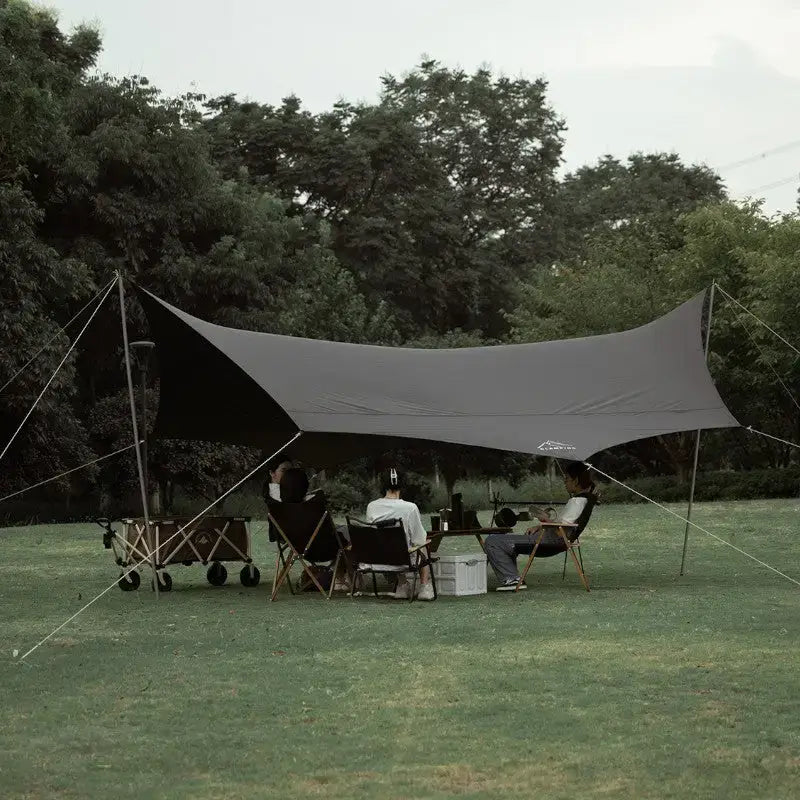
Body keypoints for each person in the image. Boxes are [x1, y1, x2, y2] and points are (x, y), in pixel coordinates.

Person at [484, 462, 597, 591]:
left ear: (576, 481)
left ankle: (512, 579)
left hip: (548, 541)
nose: (564, 482)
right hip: (551, 540)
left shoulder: (576, 501)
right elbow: (564, 526)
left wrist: (544, 519)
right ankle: (511, 576)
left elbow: (561, 529)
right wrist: (540, 526)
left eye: (567, 479)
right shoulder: (584, 500)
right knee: (501, 541)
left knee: (493, 541)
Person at [366, 467, 434, 600]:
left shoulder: (372, 506)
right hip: (403, 560)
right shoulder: (410, 508)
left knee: (390, 544)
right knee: (423, 544)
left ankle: (402, 585)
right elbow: (419, 539)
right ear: (402, 485)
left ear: (383, 485)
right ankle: (424, 587)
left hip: (378, 559)